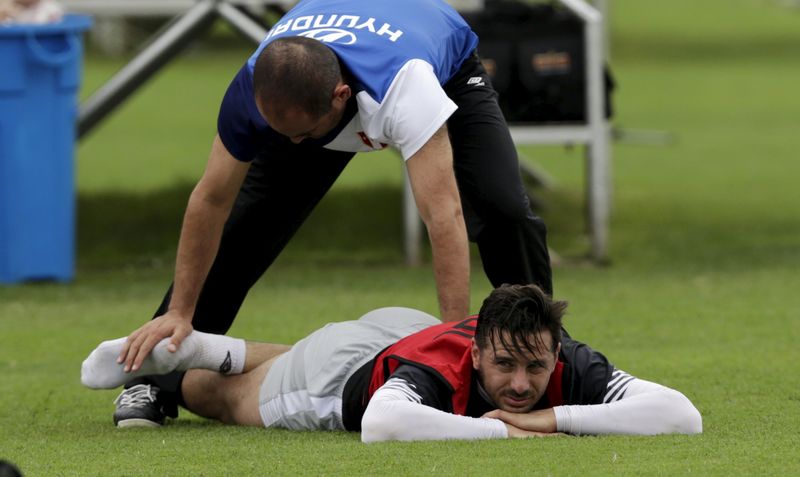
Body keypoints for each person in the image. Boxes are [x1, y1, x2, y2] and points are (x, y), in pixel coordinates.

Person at [111, 0, 554, 426]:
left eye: (302, 133)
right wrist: (181, 311)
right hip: (316, 83)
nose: (294, 144)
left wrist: (450, 341)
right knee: (245, 226)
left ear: (341, 98)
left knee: (504, 209)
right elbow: (210, 200)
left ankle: (551, 357)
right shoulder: (252, 87)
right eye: (280, 131)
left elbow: (443, 216)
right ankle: (154, 380)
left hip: (441, 66)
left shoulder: (404, 86)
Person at [82, 285, 703, 439]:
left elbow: (681, 415)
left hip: (401, 332)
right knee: (231, 397)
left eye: (535, 370)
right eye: (505, 366)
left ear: (556, 349)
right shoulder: (446, 368)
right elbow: (383, 423)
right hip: (342, 376)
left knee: (284, 360)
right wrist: (508, 433)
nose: (521, 385)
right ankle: (167, 370)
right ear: (479, 348)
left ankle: (210, 346)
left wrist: (551, 419)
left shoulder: (565, 359)